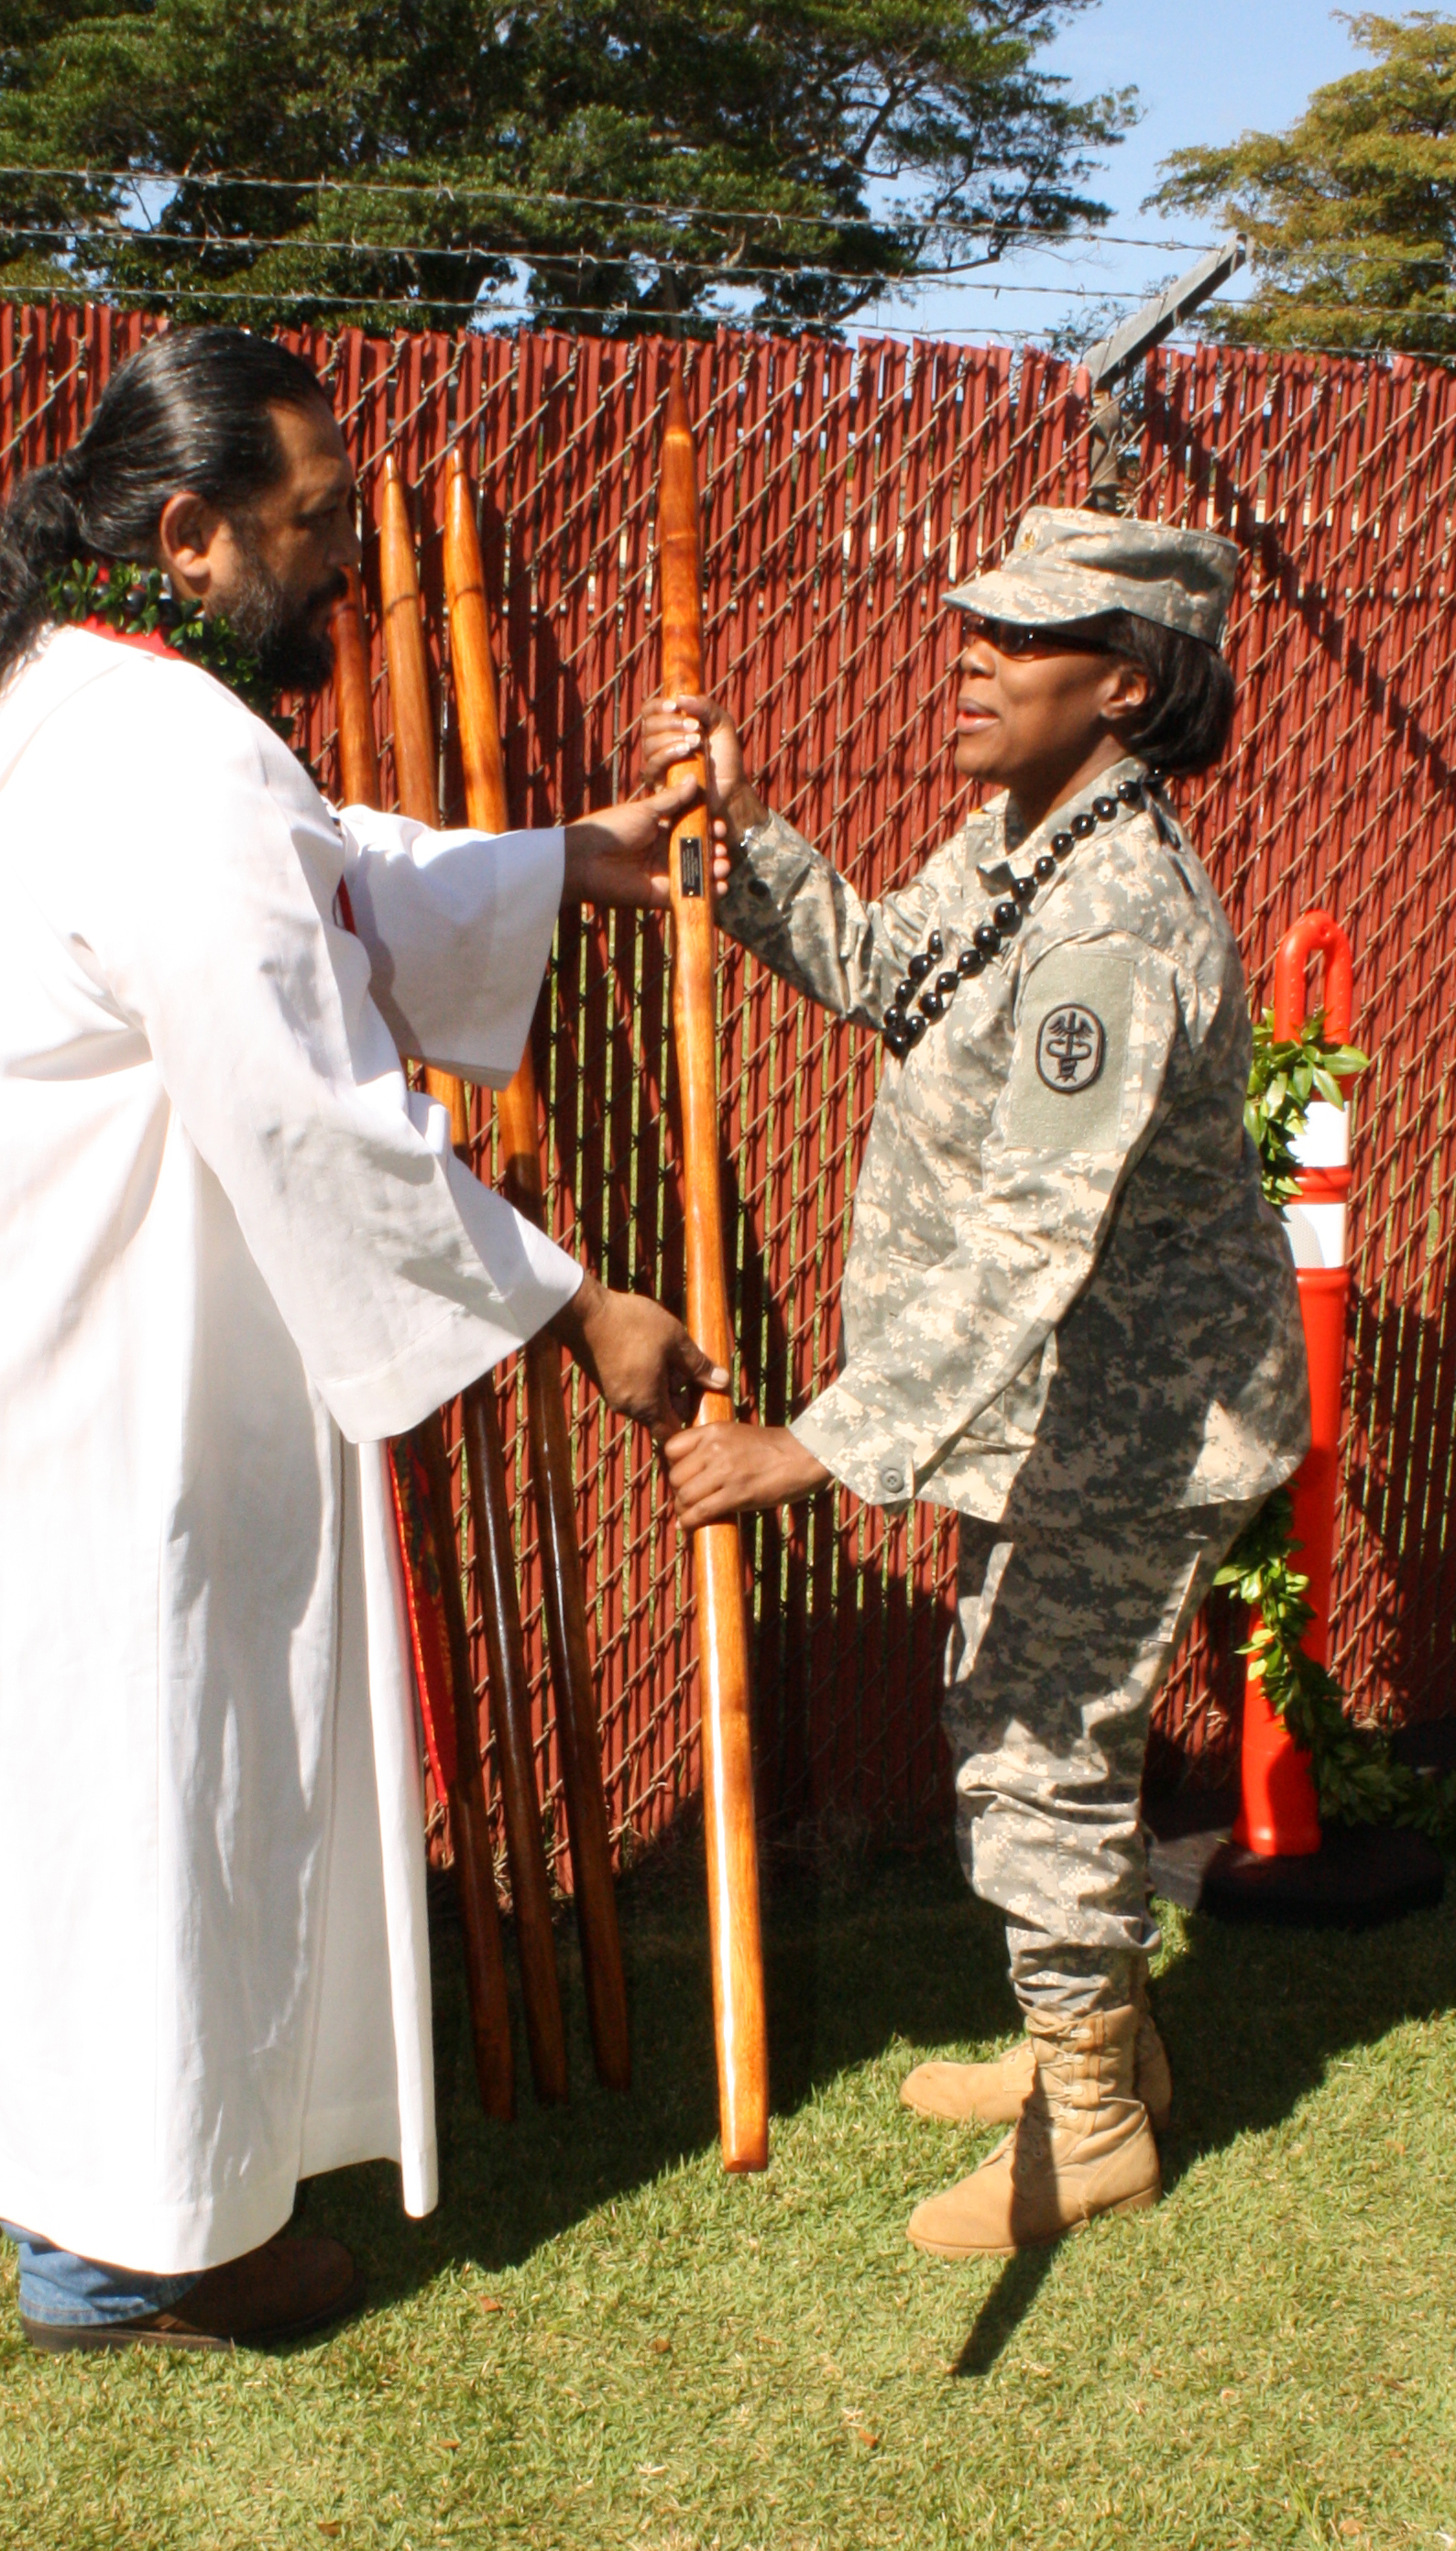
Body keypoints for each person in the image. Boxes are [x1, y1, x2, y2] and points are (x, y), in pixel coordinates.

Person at [0, 327, 726, 2352]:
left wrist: (557, 855)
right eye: (311, 529)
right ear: (192, 530)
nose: (336, 567)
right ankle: (123, 2251)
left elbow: (309, 874)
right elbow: (308, 1097)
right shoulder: (168, 749)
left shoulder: (46, 699)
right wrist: (579, 1309)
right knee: (132, 1777)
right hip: (92, 1394)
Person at [636, 507, 1308, 2260]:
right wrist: (745, 824)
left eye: (1021, 639)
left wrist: (821, 1443)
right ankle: (1093, 2043)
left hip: (1136, 1422)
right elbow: (878, 970)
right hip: (1062, 1412)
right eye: (978, 627)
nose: (973, 655)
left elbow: (1032, 1235)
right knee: (1020, 1719)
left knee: (1035, 1749)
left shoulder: (1114, 927)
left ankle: (1091, 2122)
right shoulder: (1024, 842)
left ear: (1126, 682)